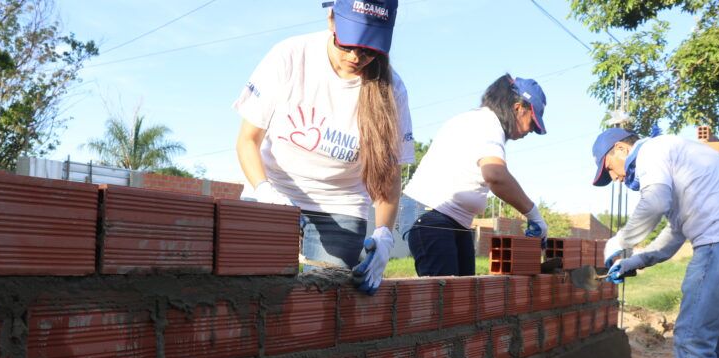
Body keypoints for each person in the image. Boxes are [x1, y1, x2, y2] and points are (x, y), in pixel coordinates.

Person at [232, 0, 413, 295]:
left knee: (324, 304)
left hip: (340, 206)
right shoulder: (290, 56)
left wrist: (383, 235)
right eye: (348, 44)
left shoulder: (391, 89)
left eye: (369, 50)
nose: (356, 56)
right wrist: (266, 193)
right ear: (331, 19)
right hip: (274, 189)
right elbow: (247, 141)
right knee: (251, 293)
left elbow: (388, 175)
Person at [592, 127, 719, 358]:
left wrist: (619, 241)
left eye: (610, 169)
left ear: (622, 149)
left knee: (693, 337)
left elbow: (654, 201)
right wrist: (632, 261)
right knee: (716, 339)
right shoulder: (679, 160)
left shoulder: (653, 151)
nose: (617, 178)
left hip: (717, 244)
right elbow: (672, 238)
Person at [401, 74, 548, 277]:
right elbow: (496, 176)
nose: (531, 131)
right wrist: (534, 215)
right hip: (430, 216)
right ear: (518, 108)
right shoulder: (487, 123)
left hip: (450, 219)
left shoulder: (485, 123)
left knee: (464, 297)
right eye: (532, 123)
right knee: (445, 300)